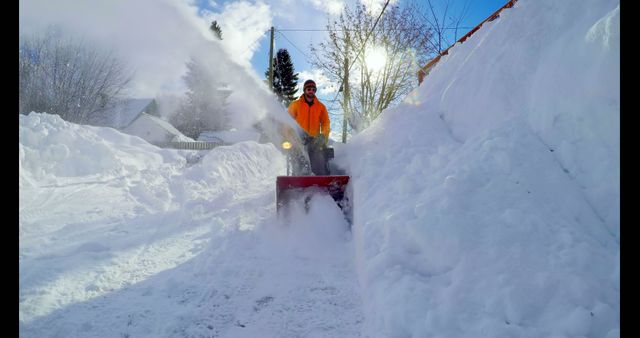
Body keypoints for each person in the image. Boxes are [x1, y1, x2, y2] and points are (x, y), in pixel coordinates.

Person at [287, 79, 331, 175]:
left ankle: (321, 180)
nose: (311, 91)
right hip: (298, 140)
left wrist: (323, 136)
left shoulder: (321, 107)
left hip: (315, 141)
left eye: (313, 89)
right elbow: (287, 122)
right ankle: (297, 181)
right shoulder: (295, 105)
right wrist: (289, 137)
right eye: (308, 89)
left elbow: (326, 123)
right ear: (304, 90)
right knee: (299, 164)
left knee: (319, 161)